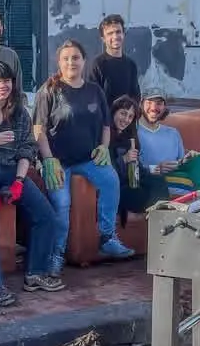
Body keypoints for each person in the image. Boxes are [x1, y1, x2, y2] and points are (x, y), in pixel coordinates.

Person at [0, 61, 64, 309]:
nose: (2, 86)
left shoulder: (19, 112)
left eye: (6, 81)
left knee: (46, 215)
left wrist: (18, 181)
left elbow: (27, 148)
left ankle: (35, 273)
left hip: (11, 169)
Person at [33, 39, 134, 274]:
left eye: (76, 57)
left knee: (110, 180)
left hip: (88, 159)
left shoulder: (94, 90)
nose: (71, 62)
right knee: (62, 203)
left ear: (83, 61)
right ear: (59, 62)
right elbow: (38, 129)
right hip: (58, 162)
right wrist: (48, 159)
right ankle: (56, 254)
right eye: (66, 58)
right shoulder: (49, 90)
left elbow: (106, 125)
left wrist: (104, 147)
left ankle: (107, 237)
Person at [137, 88, 200, 196]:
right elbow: (130, 167)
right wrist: (157, 168)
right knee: (186, 182)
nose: (154, 108)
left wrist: (188, 158)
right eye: (149, 103)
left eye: (159, 104)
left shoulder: (172, 133)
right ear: (141, 105)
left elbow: (180, 161)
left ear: (164, 107)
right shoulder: (134, 131)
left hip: (177, 172)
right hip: (152, 176)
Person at [109, 95, 169, 223]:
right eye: (123, 114)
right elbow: (105, 171)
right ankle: (151, 217)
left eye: (130, 116)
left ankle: (159, 218)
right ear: (114, 112)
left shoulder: (128, 139)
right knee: (138, 193)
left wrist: (149, 172)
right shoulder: (105, 136)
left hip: (130, 181)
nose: (126, 119)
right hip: (116, 188)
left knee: (158, 181)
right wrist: (124, 159)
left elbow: (139, 171)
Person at [87, 13, 141, 107]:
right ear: (103, 39)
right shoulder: (97, 64)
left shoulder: (131, 64)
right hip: (105, 120)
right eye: (110, 33)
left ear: (123, 34)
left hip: (127, 120)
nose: (115, 36)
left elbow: (135, 96)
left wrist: (128, 115)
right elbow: (92, 99)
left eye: (118, 32)